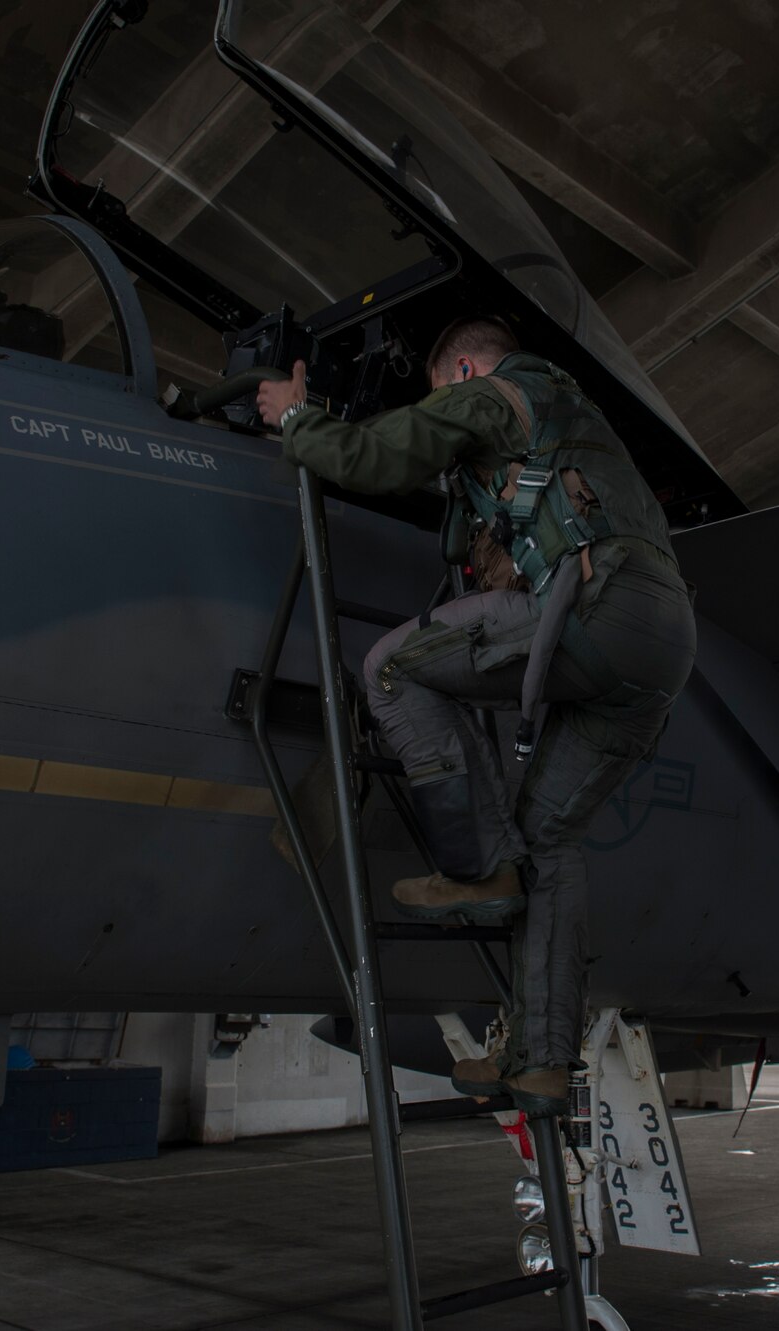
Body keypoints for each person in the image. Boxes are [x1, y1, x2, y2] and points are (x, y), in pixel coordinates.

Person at [255, 318, 697, 1115]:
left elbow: (371, 456)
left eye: (439, 395)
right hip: (662, 643)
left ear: (461, 369)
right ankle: (539, 1061)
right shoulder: (570, 426)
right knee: (549, 842)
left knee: (389, 668)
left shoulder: (497, 394)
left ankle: (475, 866)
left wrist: (295, 417)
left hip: (595, 609)